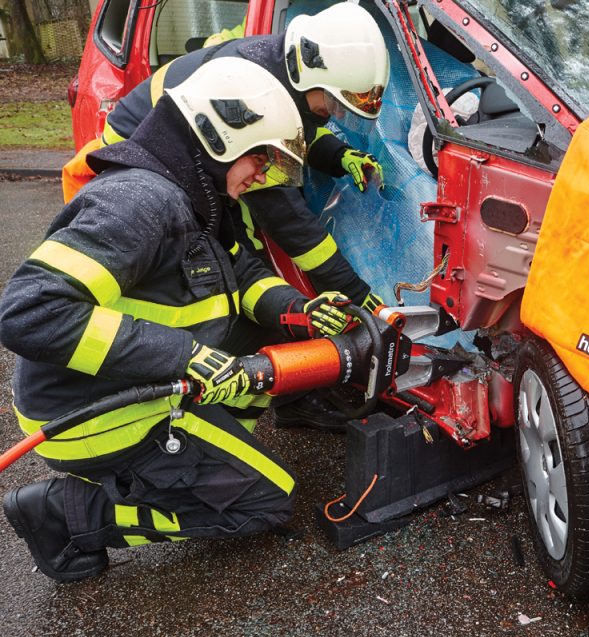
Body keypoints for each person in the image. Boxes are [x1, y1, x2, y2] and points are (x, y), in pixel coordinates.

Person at [0, 57, 353, 583]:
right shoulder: (139, 203)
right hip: (90, 413)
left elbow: (242, 272)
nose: (263, 174)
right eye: (260, 157)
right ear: (220, 139)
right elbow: (30, 311)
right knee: (266, 501)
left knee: (265, 338)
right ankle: (66, 515)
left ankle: (202, 459)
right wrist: (186, 356)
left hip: (133, 383)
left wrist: (298, 310)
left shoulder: (195, 195)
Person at [68, 2, 394, 431]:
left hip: (196, 156)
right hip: (145, 152)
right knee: (224, 271)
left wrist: (339, 156)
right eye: (334, 101)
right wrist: (355, 291)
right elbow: (290, 222)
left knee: (242, 266)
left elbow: (299, 133)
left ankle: (258, 395)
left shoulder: (284, 71)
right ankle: (247, 391)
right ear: (311, 74)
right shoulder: (253, 90)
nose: (335, 113)